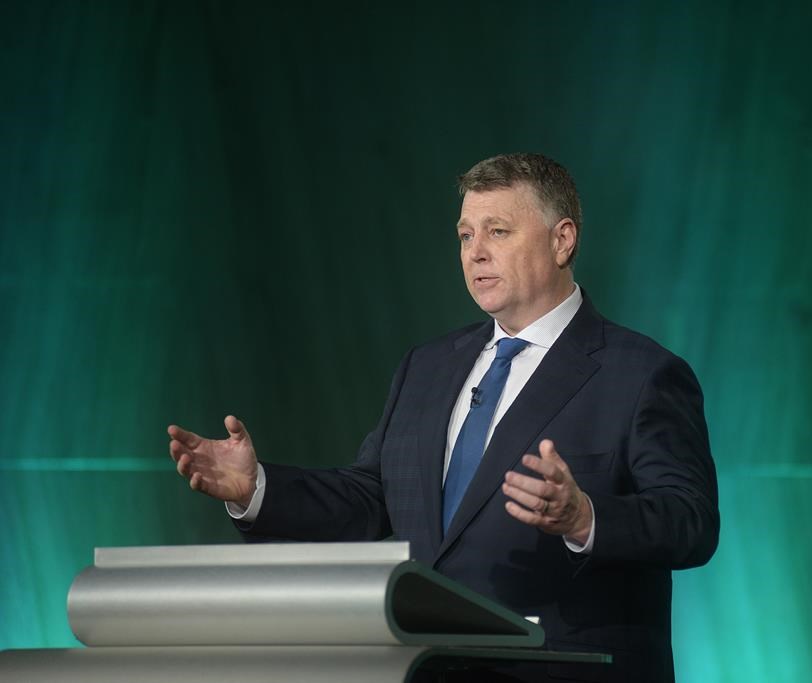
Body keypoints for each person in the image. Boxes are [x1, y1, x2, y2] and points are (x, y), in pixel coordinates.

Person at [168, 153, 719, 682]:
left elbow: (690, 521)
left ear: (562, 240)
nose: (475, 253)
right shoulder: (428, 366)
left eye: (498, 232)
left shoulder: (641, 373)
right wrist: (257, 489)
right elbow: (373, 497)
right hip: (426, 668)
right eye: (465, 235)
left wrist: (585, 517)